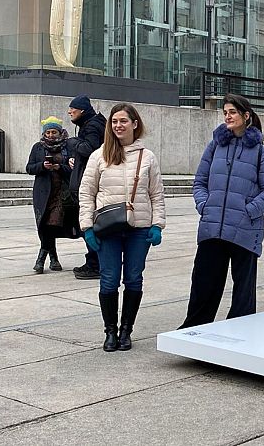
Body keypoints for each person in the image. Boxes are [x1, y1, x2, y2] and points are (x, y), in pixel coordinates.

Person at [178, 94, 264, 329]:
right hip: (212, 227)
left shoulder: (261, 152)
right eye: (225, 113)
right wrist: (205, 205)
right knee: (204, 282)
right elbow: (200, 182)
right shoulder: (215, 146)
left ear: (246, 116)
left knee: (243, 289)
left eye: (232, 112)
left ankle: (239, 333)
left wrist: (248, 211)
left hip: (245, 229)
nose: (227, 116)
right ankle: (194, 330)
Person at [78, 103, 166, 352]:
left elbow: (156, 194)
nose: (118, 125)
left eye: (123, 121)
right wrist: (87, 228)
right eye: (114, 121)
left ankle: (126, 330)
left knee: (134, 279)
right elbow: (86, 193)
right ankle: (110, 331)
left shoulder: (147, 156)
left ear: (134, 124)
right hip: (107, 228)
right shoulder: (100, 155)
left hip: (139, 228)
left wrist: (157, 224)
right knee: (108, 280)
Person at [26, 116, 80, 273]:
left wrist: (59, 167)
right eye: (48, 132)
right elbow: (29, 168)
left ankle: (41, 258)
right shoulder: (38, 147)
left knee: (51, 224)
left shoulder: (68, 147)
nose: (51, 135)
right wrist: (42, 166)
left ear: (60, 132)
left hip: (61, 194)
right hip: (43, 194)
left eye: (54, 132)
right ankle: (54, 258)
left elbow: (72, 169)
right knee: (45, 225)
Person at [67, 95, 107, 280]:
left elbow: (90, 148)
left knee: (88, 224)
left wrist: (73, 143)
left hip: (90, 183)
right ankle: (94, 261)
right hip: (89, 178)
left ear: (82, 110)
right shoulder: (93, 123)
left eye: (73, 109)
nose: (70, 112)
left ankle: (95, 264)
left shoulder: (91, 126)